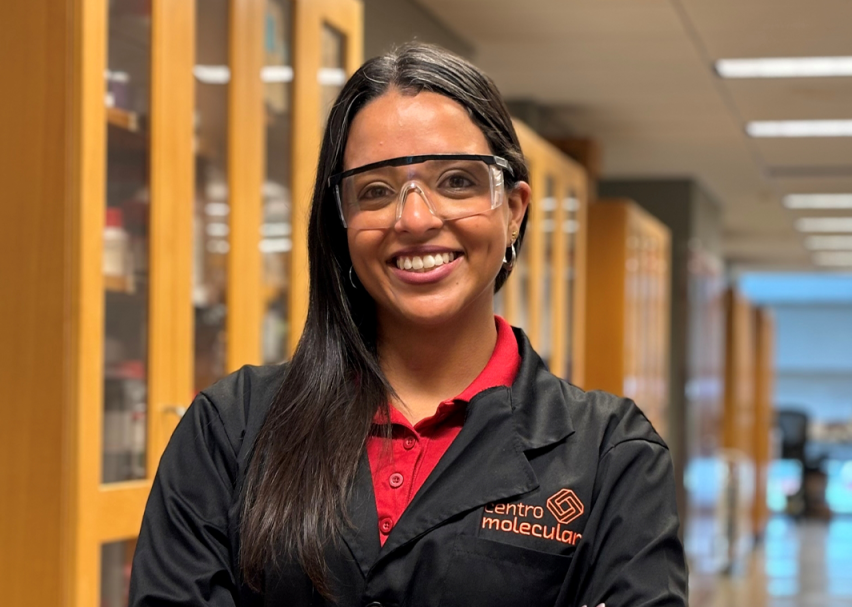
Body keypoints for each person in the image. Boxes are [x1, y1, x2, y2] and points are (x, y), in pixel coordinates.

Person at [129, 42, 687, 607]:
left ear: (514, 210)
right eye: (376, 191)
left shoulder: (611, 456)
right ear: (342, 222)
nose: (416, 219)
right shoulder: (230, 429)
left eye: (457, 181)